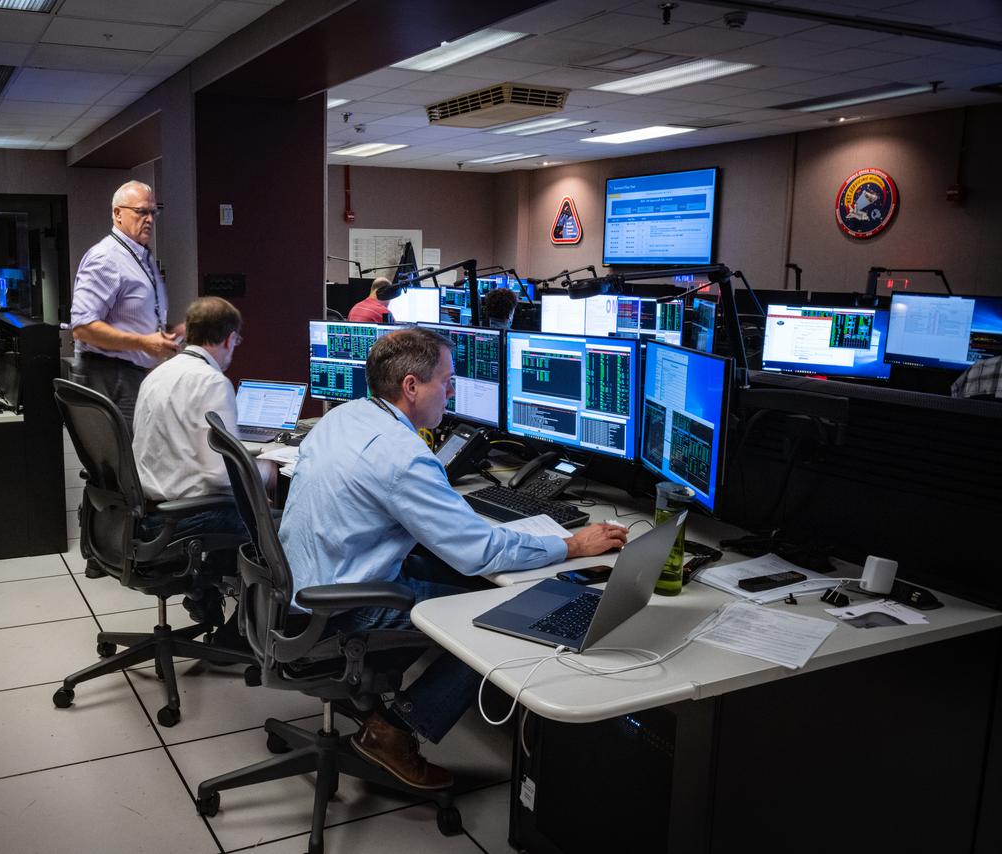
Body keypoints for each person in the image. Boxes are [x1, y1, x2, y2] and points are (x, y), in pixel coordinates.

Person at [278, 327, 627, 789]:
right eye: (447, 381)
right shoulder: (401, 456)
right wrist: (573, 545)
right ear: (411, 386)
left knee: (462, 582)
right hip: (342, 607)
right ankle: (393, 732)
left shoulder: (345, 416)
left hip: (305, 587)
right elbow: (478, 551)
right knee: (499, 620)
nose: (452, 392)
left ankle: (397, 707)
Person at [131, 296, 276, 641]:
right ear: (229, 338)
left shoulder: (158, 374)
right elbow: (221, 475)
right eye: (236, 342)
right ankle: (241, 634)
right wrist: (267, 473)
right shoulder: (212, 382)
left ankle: (204, 586)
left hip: (147, 510)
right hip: (183, 517)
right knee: (272, 525)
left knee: (242, 509)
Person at [70, 180, 183, 430]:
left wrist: (173, 332)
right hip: (110, 377)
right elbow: (82, 328)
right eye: (141, 211)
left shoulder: (140, 256)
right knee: (127, 452)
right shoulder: (106, 258)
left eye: (153, 212)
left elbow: (134, 319)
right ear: (118, 213)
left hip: (132, 375)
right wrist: (143, 343)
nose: (150, 219)